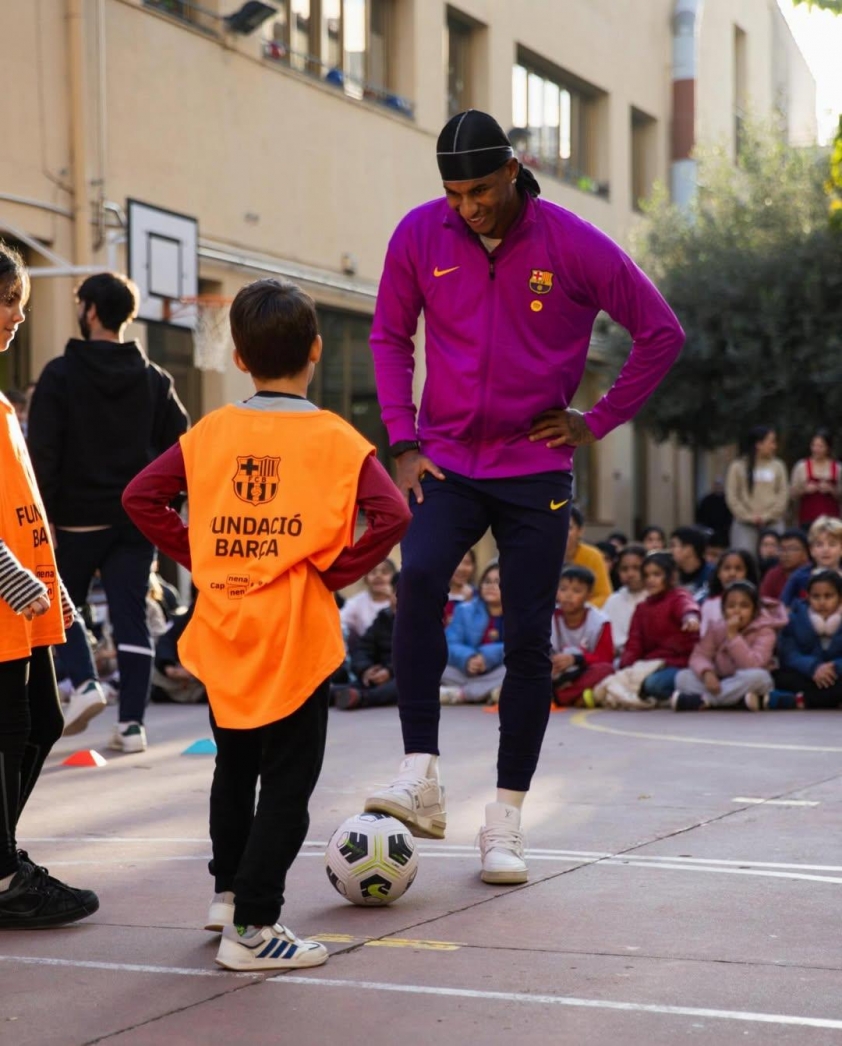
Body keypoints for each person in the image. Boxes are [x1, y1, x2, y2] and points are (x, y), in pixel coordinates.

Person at [364, 109, 684, 884]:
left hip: (534, 468)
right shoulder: (419, 235)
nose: (467, 207)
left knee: (529, 642)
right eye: (453, 193)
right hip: (445, 461)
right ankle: (422, 774)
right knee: (418, 580)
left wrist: (597, 420)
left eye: (479, 189)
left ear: (513, 169)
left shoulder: (573, 243)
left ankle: (505, 821)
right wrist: (402, 441)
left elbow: (661, 332)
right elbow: (388, 335)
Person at [122, 278, 410, 971]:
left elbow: (142, 496)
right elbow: (393, 514)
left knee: (236, 764)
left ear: (240, 359)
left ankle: (227, 894)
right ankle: (254, 927)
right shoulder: (339, 439)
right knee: (288, 780)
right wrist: (330, 573)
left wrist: (208, 555)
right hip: (293, 632)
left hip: (224, 622)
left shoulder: (211, 431)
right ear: (315, 350)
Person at [27, 272, 189, 752]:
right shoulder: (155, 378)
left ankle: (83, 683)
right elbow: (182, 449)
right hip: (134, 521)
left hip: (76, 519)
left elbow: (43, 452)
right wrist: (163, 506)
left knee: (60, 604)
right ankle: (133, 726)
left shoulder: (59, 375)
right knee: (131, 616)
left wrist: (44, 514)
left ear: (91, 310)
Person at [0, 243, 99, 928]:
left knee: (43, 720)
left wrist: (52, 578)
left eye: (21, 306)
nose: (15, 316)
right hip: (2, 595)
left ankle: (1, 860)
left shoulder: (4, 402)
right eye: (8, 300)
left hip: (24, 598)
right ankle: (5, 874)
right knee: (9, 728)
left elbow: (20, 499)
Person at [671, 581, 785, 711]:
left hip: (745, 679)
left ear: (754, 611)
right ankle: (736, 702)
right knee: (682, 677)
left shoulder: (765, 631)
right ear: (724, 610)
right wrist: (706, 673)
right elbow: (700, 655)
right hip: (720, 680)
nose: (737, 610)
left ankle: (706, 700)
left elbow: (753, 664)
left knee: (759, 677)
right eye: (731, 606)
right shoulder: (716, 628)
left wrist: (733, 636)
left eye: (744, 606)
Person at [618, 551, 700, 702]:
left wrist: (690, 617)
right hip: (652, 664)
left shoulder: (677, 596)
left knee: (653, 684)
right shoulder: (641, 608)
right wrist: (625, 668)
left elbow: (686, 605)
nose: (651, 580)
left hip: (679, 663)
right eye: (647, 575)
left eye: (657, 575)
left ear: (671, 576)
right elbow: (634, 643)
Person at [440, 562, 506, 705]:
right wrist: (468, 658)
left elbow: (520, 645)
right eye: (487, 581)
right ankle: (489, 692)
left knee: (518, 667)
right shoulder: (464, 610)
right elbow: (450, 643)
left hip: (498, 671)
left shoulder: (519, 615)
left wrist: (487, 657)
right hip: (465, 671)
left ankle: (462, 694)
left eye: (498, 582)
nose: (491, 586)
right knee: (433, 664)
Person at [775, 570, 842, 709]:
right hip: (807, 674)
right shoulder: (794, 619)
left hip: (836, 673)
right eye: (816, 597)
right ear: (808, 597)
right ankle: (830, 700)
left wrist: (835, 666)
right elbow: (789, 653)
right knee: (780, 676)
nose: (822, 602)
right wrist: (813, 667)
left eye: (828, 596)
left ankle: (799, 700)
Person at [334, 572, 399, 711]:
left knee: (404, 686)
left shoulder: (422, 622)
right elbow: (362, 648)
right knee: (335, 690)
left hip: (399, 677)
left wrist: (389, 671)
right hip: (376, 675)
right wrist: (366, 669)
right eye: (396, 593)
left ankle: (362, 698)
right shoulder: (383, 618)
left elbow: (416, 657)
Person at [550, 566, 614, 706]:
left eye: (576, 591)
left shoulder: (601, 621)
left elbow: (605, 658)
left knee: (606, 670)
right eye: (563, 589)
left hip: (582, 670)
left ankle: (558, 696)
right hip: (554, 669)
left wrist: (575, 659)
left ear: (589, 595)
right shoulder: (548, 616)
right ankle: (572, 696)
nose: (568, 595)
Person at [725, 426, 788, 553]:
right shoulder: (737, 467)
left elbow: (783, 494)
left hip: (773, 522)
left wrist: (767, 516)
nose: (774, 446)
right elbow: (732, 496)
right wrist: (748, 517)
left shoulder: (778, 466)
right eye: (771, 442)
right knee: (744, 558)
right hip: (745, 524)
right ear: (759, 444)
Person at [781, 515, 842, 608]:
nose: (825, 550)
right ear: (811, 550)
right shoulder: (799, 577)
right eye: (819, 545)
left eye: (832, 544)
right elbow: (783, 608)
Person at [603, 544, 647, 660]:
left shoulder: (654, 599)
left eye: (636, 568)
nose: (630, 574)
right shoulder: (613, 601)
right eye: (624, 569)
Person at [700, 548, 759, 635]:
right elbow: (704, 637)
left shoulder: (756, 603)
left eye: (738, 569)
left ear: (748, 573)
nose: (732, 573)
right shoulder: (709, 605)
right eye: (727, 568)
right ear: (718, 574)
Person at [338, 559, 396, 648]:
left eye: (384, 572)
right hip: (366, 651)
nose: (378, 576)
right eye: (373, 572)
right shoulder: (356, 603)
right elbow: (339, 622)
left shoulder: (399, 600)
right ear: (365, 578)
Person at [790, 430, 842, 529]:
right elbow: (792, 494)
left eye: (820, 446)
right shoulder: (801, 466)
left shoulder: (838, 468)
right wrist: (804, 490)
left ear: (828, 448)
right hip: (807, 518)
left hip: (831, 519)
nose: (816, 449)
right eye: (814, 445)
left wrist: (832, 490)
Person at [565, 506, 613, 607]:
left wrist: (579, 610)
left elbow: (604, 595)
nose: (562, 532)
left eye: (569, 528)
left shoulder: (593, 556)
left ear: (580, 531)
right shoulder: (541, 555)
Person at [759, 528, 810, 601]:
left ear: (806, 553)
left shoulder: (813, 573)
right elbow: (764, 602)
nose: (785, 554)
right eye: (782, 549)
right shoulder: (773, 575)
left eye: (791, 549)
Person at [669, 525, 713, 601]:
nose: (671, 551)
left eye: (674, 546)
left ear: (689, 549)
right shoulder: (671, 575)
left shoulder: (713, 574)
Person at [694, 478, 732, 550]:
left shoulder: (727, 500)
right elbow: (700, 516)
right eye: (716, 485)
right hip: (709, 531)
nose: (718, 487)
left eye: (720, 485)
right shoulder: (706, 500)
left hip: (724, 533)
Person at [444, 548, 477, 627]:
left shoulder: (480, 597)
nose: (460, 568)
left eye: (467, 563)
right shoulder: (436, 595)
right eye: (456, 561)